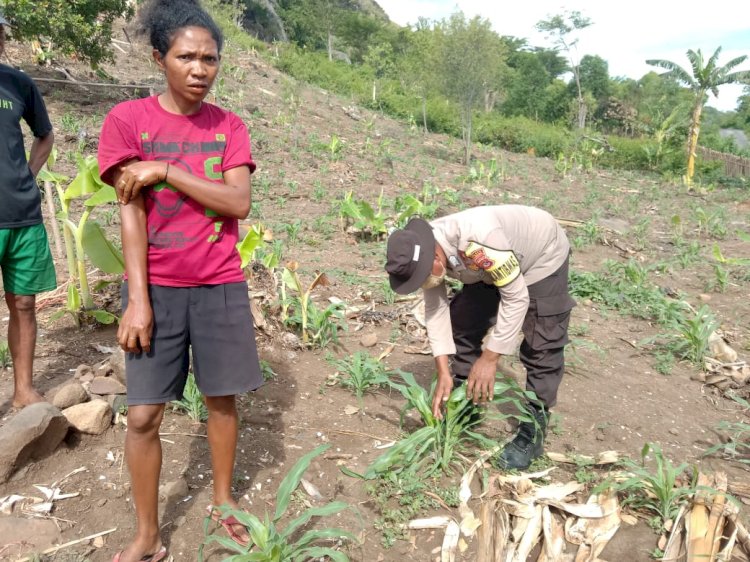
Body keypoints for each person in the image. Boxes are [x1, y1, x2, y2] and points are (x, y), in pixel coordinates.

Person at [97, 1, 263, 560]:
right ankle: (147, 534)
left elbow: (237, 200)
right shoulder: (127, 121)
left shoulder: (229, 127)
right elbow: (130, 212)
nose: (199, 69)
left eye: (209, 58)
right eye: (185, 56)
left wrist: (167, 169)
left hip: (219, 283)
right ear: (158, 58)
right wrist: (137, 300)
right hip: (158, 289)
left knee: (221, 401)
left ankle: (222, 503)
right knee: (143, 413)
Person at [385, 205, 575, 470]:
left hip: (541, 254)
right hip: (489, 268)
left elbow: (516, 296)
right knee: (462, 319)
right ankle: (466, 397)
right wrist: (443, 371)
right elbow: (436, 309)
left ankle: (534, 425)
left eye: (422, 276)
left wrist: (490, 358)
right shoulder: (428, 251)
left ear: (436, 257)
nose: (423, 282)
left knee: (542, 339)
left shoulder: (477, 241)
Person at [0, 12, 56, 409]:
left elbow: (45, 134)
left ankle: (23, 390)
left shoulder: (18, 83)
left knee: (23, 303)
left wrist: (29, 176)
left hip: (21, 213)